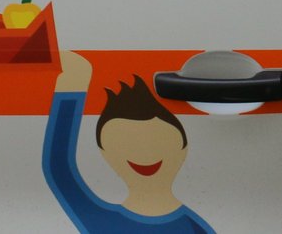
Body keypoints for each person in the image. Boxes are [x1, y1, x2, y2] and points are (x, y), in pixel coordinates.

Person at [43, 50, 216, 233]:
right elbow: (60, 169)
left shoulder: (192, 227)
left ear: (183, 147)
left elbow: (59, 171)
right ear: (104, 152)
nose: (142, 153)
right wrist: (72, 87)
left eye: (156, 141)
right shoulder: (101, 221)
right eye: (124, 143)